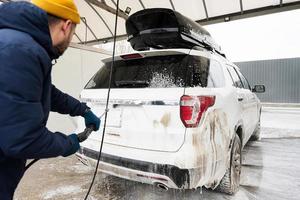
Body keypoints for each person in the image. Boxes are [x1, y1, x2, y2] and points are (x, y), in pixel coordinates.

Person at [0, 0, 101, 199]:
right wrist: (67, 144)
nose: (70, 42)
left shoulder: (15, 42)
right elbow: (23, 139)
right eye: (72, 36)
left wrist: (82, 109)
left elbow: (47, 93)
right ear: (66, 25)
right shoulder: (20, 50)